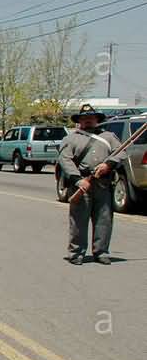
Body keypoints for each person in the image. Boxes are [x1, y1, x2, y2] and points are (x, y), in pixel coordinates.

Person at [58, 103, 123, 265]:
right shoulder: (71, 139)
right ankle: (76, 253)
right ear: (79, 121)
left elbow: (121, 152)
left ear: (96, 119)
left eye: (91, 118)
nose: (88, 120)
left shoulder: (109, 137)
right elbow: (65, 160)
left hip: (103, 184)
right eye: (84, 118)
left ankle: (101, 251)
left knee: (104, 219)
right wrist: (78, 180)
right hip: (82, 183)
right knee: (79, 221)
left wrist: (108, 165)